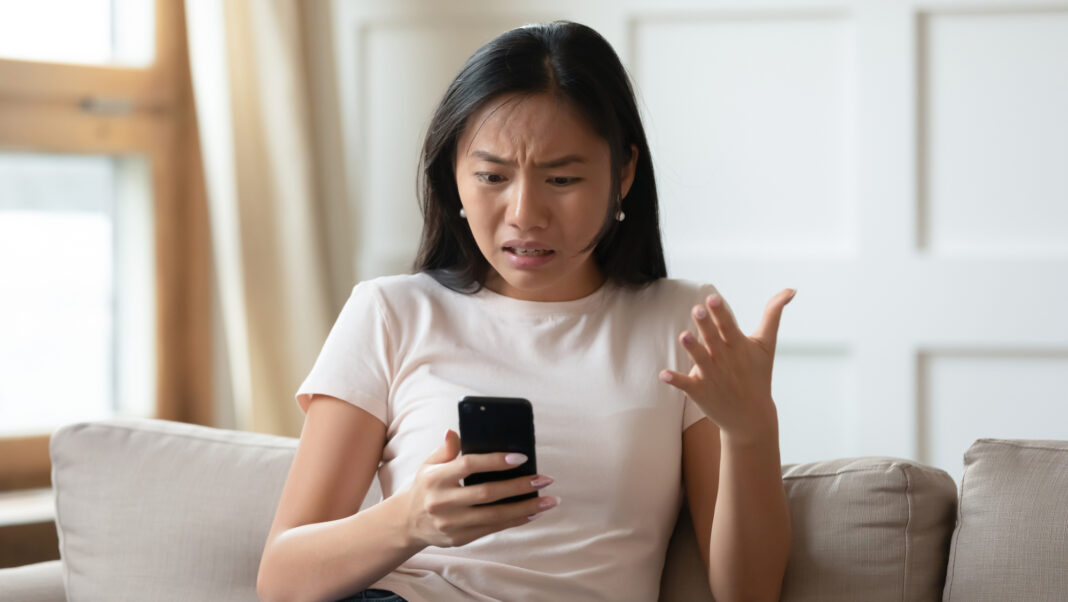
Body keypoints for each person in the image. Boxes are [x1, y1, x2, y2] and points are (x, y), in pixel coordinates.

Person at [257, 20, 793, 602]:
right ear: (453, 178)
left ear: (624, 173)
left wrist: (752, 430)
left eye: (562, 178)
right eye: (491, 176)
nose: (524, 213)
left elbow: (750, 593)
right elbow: (282, 581)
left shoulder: (681, 322)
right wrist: (410, 519)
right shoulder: (390, 312)